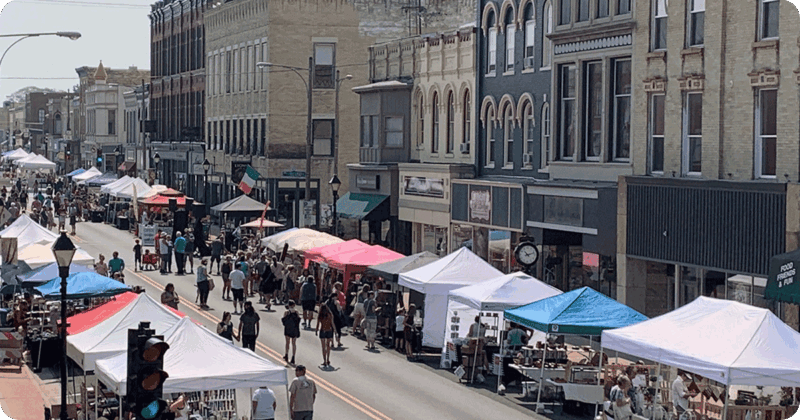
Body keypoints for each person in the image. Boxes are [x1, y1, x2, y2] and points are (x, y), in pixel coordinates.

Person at [315, 302, 335, 367]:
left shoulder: (320, 315)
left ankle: (324, 360)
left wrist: (316, 330)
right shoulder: (330, 314)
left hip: (322, 330)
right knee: (328, 346)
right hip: (329, 330)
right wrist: (335, 331)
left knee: (323, 347)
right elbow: (332, 323)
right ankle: (328, 359)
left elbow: (318, 324)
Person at [282, 300, 301, 365]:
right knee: (294, 343)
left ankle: (286, 354)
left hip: (288, 329)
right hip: (295, 329)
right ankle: (293, 357)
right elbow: (298, 321)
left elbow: (283, 321)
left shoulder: (286, 312)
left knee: (287, 342)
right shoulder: (296, 312)